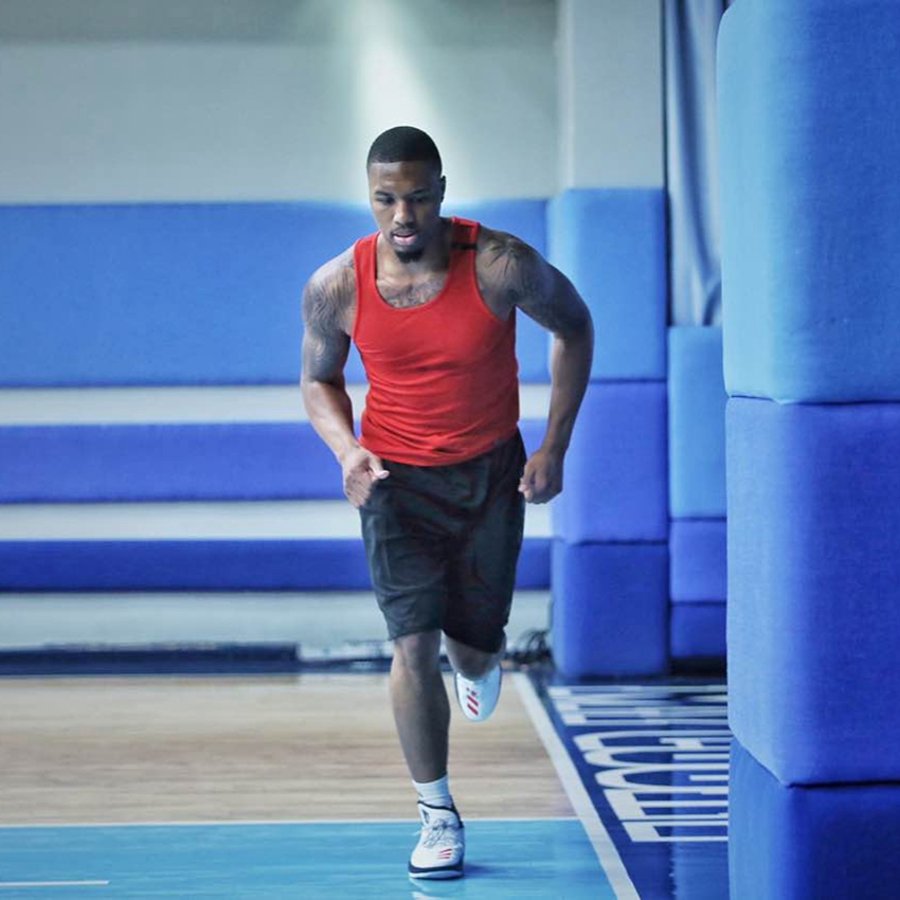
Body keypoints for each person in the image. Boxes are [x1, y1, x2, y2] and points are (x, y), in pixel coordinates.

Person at [300, 125, 593, 880]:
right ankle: (437, 815)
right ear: (370, 197)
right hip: (393, 482)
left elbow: (575, 327)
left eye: (417, 198)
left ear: (441, 192)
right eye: (385, 199)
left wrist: (554, 446)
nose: (403, 216)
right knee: (411, 642)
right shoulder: (337, 285)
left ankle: (480, 656)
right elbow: (318, 379)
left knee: (473, 648)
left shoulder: (500, 263)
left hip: (491, 475)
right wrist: (347, 451)